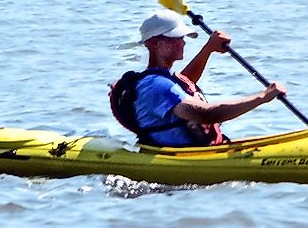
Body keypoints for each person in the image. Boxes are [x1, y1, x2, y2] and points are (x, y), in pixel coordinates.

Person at [111, 8, 286, 146]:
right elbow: (206, 115)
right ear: (156, 43)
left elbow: (185, 83)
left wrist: (209, 49)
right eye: (176, 38)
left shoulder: (163, 80)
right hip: (183, 159)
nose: (183, 42)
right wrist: (262, 97)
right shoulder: (156, 86)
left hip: (199, 152)